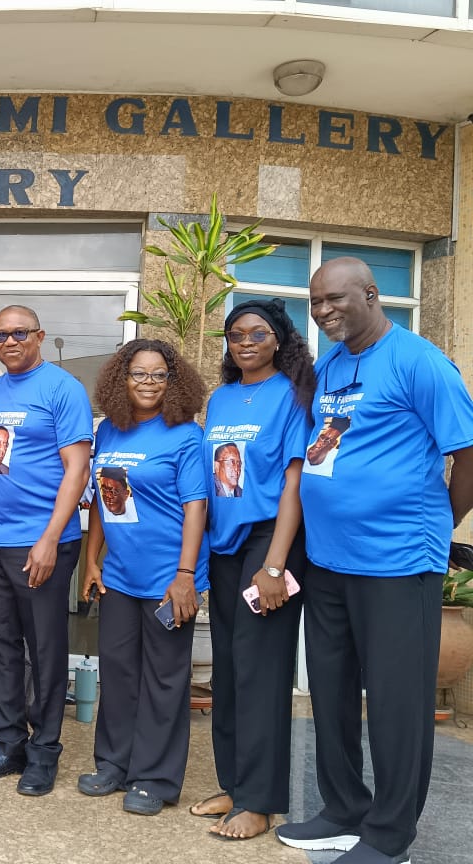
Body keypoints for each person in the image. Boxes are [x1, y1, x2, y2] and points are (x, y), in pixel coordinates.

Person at [275, 257, 473, 864]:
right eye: (316, 303)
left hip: (397, 562)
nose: (325, 311)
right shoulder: (332, 363)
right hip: (329, 560)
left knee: (395, 702)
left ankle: (390, 837)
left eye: (336, 299)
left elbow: (466, 457)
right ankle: (343, 810)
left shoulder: (420, 362)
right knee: (330, 692)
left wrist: (436, 526)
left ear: (371, 293)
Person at [191, 299, 315, 840]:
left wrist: (274, 564)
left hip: (268, 542)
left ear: (280, 338)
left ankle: (261, 801)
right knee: (231, 671)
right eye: (235, 333)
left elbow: (294, 481)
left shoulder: (292, 395)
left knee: (262, 675)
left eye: (257, 333)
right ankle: (234, 784)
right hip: (223, 546)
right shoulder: (219, 398)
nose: (245, 341)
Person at [0, 305, 92, 797]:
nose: (9, 341)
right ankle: (7, 745)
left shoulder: (63, 388)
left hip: (42, 542)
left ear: (40, 335)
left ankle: (45, 752)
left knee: (45, 650)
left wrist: (49, 539)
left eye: (19, 333)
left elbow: (76, 470)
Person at [78, 338, 208, 816]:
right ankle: (113, 763)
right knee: (119, 674)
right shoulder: (109, 431)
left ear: (173, 383)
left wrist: (186, 575)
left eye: (158, 375)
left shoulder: (184, 435)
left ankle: (155, 778)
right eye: (139, 374)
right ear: (121, 379)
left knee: (164, 681)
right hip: (119, 575)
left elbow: (197, 506)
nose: (148, 383)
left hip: (166, 579)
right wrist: (92, 561)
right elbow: (101, 502)